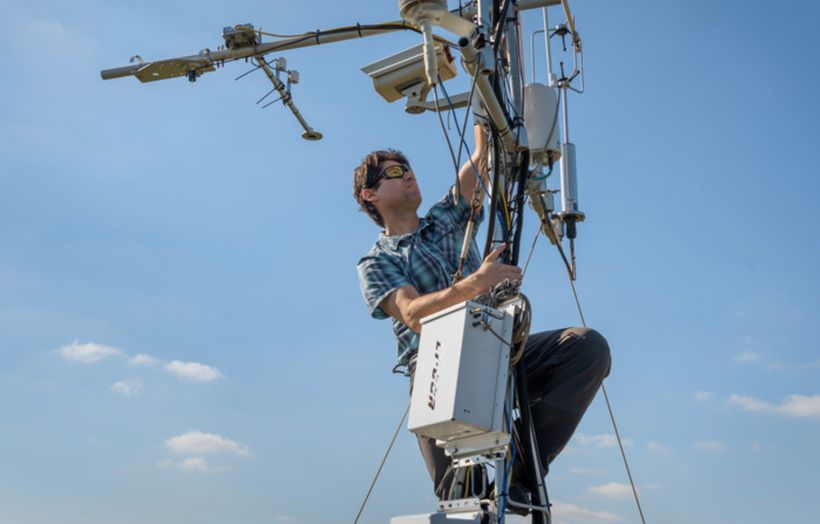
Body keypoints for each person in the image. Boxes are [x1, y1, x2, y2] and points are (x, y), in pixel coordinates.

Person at [353, 123, 611, 502]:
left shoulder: (445, 218)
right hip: (435, 372)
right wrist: (477, 282)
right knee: (461, 501)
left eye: (407, 167)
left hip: (497, 350)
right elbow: (413, 315)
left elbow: (479, 160)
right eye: (393, 172)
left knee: (586, 348)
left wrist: (486, 100)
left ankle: (522, 477)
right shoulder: (377, 261)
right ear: (369, 194)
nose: (407, 174)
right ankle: (478, 498)